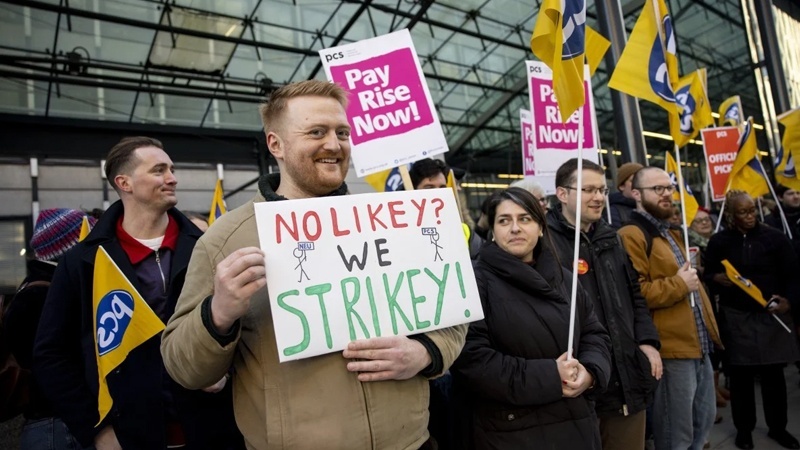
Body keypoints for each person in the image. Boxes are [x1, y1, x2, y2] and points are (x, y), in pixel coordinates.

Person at [160, 80, 467, 449]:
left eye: (342, 132)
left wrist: (425, 353)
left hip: (411, 442)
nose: (334, 145)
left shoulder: (394, 220)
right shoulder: (225, 239)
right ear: (276, 144)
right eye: (316, 132)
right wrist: (218, 314)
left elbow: (453, 316)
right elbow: (183, 367)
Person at [33, 136, 203, 449]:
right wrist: (95, 429)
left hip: (211, 428)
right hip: (130, 436)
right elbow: (51, 353)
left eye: (172, 169)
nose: (172, 178)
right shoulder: (83, 261)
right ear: (124, 182)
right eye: (159, 170)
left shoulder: (208, 245)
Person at [451, 187, 611, 449]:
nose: (515, 228)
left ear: (540, 227)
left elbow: (595, 333)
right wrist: (551, 376)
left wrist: (591, 371)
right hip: (508, 432)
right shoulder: (473, 283)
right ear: (492, 231)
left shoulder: (566, 280)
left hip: (576, 424)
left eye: (525, 219)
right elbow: (471, 360)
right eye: (504, 220)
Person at [547, 159, 661, 450]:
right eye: (588, 190)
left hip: (625, 377)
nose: (598, 197)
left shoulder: (613, 238)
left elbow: (634, 294)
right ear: (562, 194)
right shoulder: (544, 243)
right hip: (578, 381)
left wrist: (647, 341)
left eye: (602, 189)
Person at [618, 167, 722, 450]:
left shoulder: (668, 231)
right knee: (675, 434)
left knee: (702, 422)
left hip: (697, 345)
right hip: (671, 348)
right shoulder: (633, 233)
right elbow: (634, 293)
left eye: (668, 188)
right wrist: (678, 284)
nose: (667, 194)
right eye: (658, 189)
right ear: (636, 194)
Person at [704, 190, 800, 450]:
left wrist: (789, 301)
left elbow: (794, 274)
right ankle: (743, 430)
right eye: (743, 212)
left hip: (769, 316)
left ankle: (778, 428)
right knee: (740, 378)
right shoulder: (719, 241)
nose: (750, 216)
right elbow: (708, 272)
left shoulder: (775, 238)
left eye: (753, 210)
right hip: (736, 318)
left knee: (773, 378)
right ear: (732, 217)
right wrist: (715, 278)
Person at [3, 209, 95, 449]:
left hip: (56, 423)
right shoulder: (42, 296)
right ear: (70, 250)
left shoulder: (34, 291)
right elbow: (54, 365)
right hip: (59, 425)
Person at [608, 162, 643, 229]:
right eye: (634, 181)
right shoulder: (612, 213)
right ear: (622, 186)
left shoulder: (654, 208)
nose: (640, 184)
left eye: (643, 180)